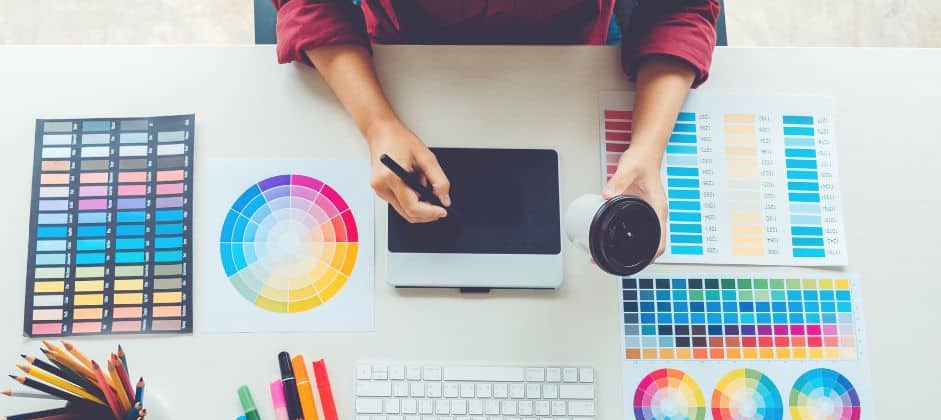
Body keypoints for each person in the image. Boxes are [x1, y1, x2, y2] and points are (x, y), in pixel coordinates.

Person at [271, 0, 719, 257]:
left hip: (572, 66)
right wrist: (377, 124)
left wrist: (647, 149)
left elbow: (679, 8)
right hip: (401, 63)